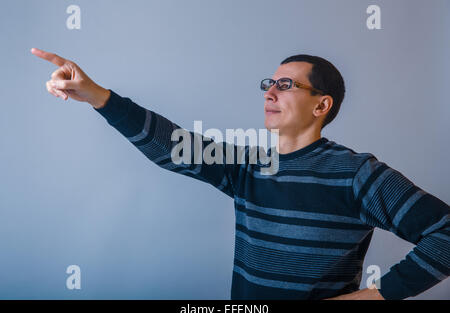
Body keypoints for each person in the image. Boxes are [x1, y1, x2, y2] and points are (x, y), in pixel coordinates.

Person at [31, 48, 449, 300]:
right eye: (270, 82)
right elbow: (173, 147)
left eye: (287, 85)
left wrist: (375, 296)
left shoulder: (357, 174)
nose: (270, 91)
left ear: (322, 106)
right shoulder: (250, 165)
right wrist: (97, 97)